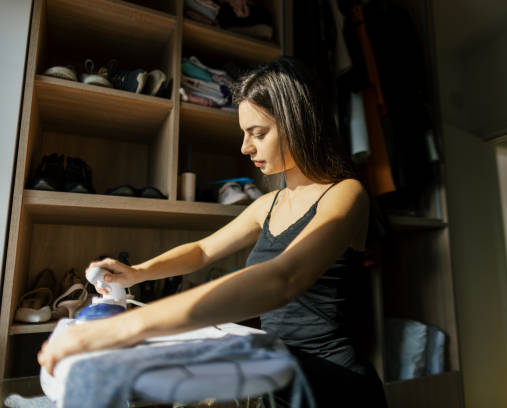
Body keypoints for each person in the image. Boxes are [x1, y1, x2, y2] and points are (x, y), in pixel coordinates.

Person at [38, 56, 387, 407]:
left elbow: (284, 278)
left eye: (258, 133)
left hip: (337, 387)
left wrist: (120, 329)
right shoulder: (269, 204)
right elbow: (202, 251)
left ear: (297, 124)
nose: (245, 147)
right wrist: (137, 273)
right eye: (244, 134)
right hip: (280, 380)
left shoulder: (345, 194)